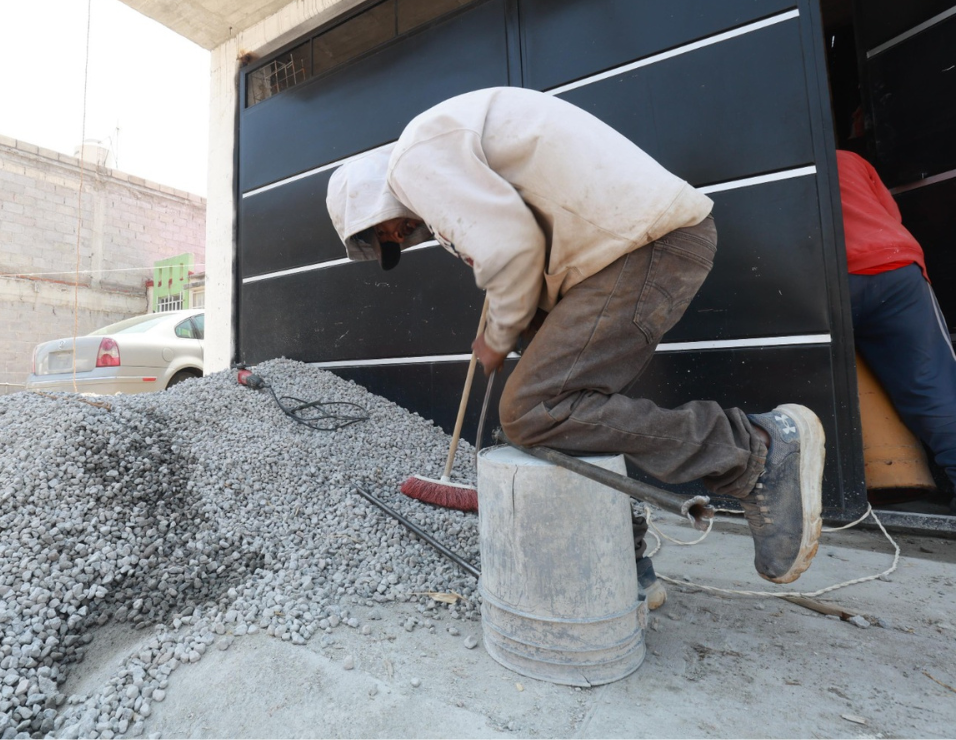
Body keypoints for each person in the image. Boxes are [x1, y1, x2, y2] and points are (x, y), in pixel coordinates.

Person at [326, 87, 825, 587]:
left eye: (384, 232)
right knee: (569, 415)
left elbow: (511, 248)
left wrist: (498, 334)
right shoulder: (441, 157)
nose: (397, 238)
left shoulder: (413, 159)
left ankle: (753, 453)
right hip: (618, 253)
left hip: (639, 247)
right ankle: (621, 556)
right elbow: (519, 237)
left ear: (372, 201)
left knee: (531, 411)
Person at [837, 149, 956, 513]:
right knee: (932, 385)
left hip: (825, 277)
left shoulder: (769, 160)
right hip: (894, 268)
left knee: (816, 383)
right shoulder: (849, 159)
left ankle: (833, 495)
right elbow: (891, 215)